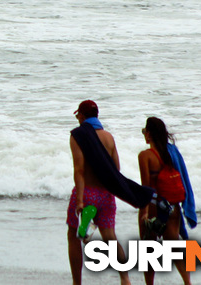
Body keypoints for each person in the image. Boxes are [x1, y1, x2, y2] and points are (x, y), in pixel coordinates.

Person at [68, 100, 154, 285]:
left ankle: (77, 282)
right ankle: (125, 279)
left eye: (78, 116)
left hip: (87, 193)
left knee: (73, 235)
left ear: (82, 116)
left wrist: (80, 200)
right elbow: (116, 169)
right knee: (111, 239)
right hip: (106, 196)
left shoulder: (78, 135)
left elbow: (79, 169)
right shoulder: (108, 137)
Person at [137, 117, 196, 285]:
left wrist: (144, 214)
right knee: (174, 249)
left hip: (154, 208)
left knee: (148, 252)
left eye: (144, 132)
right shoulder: (172, 153)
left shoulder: (145, 156)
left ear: (148, 134)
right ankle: (187, 282)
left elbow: (146, 189)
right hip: (172, 208)